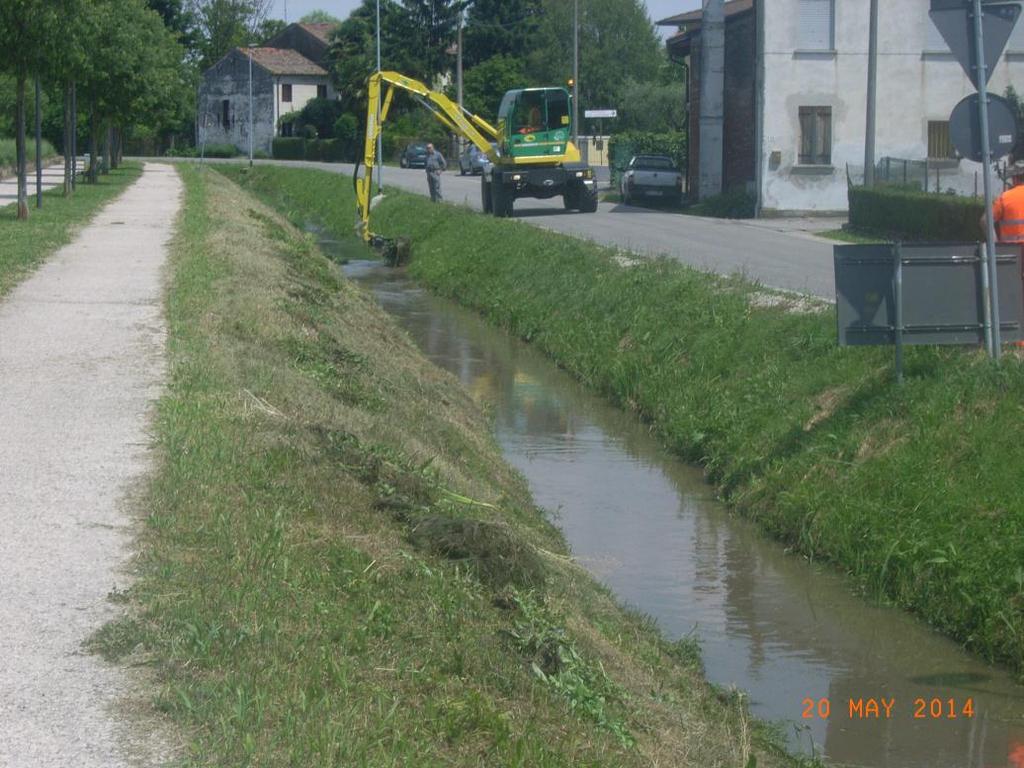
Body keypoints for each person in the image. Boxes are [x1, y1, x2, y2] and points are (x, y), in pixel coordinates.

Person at [983, 161, 1024, 243]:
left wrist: (995, 244)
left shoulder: (1005, 198)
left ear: (1014, 178)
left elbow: (985, 220)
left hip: (1012, 252)